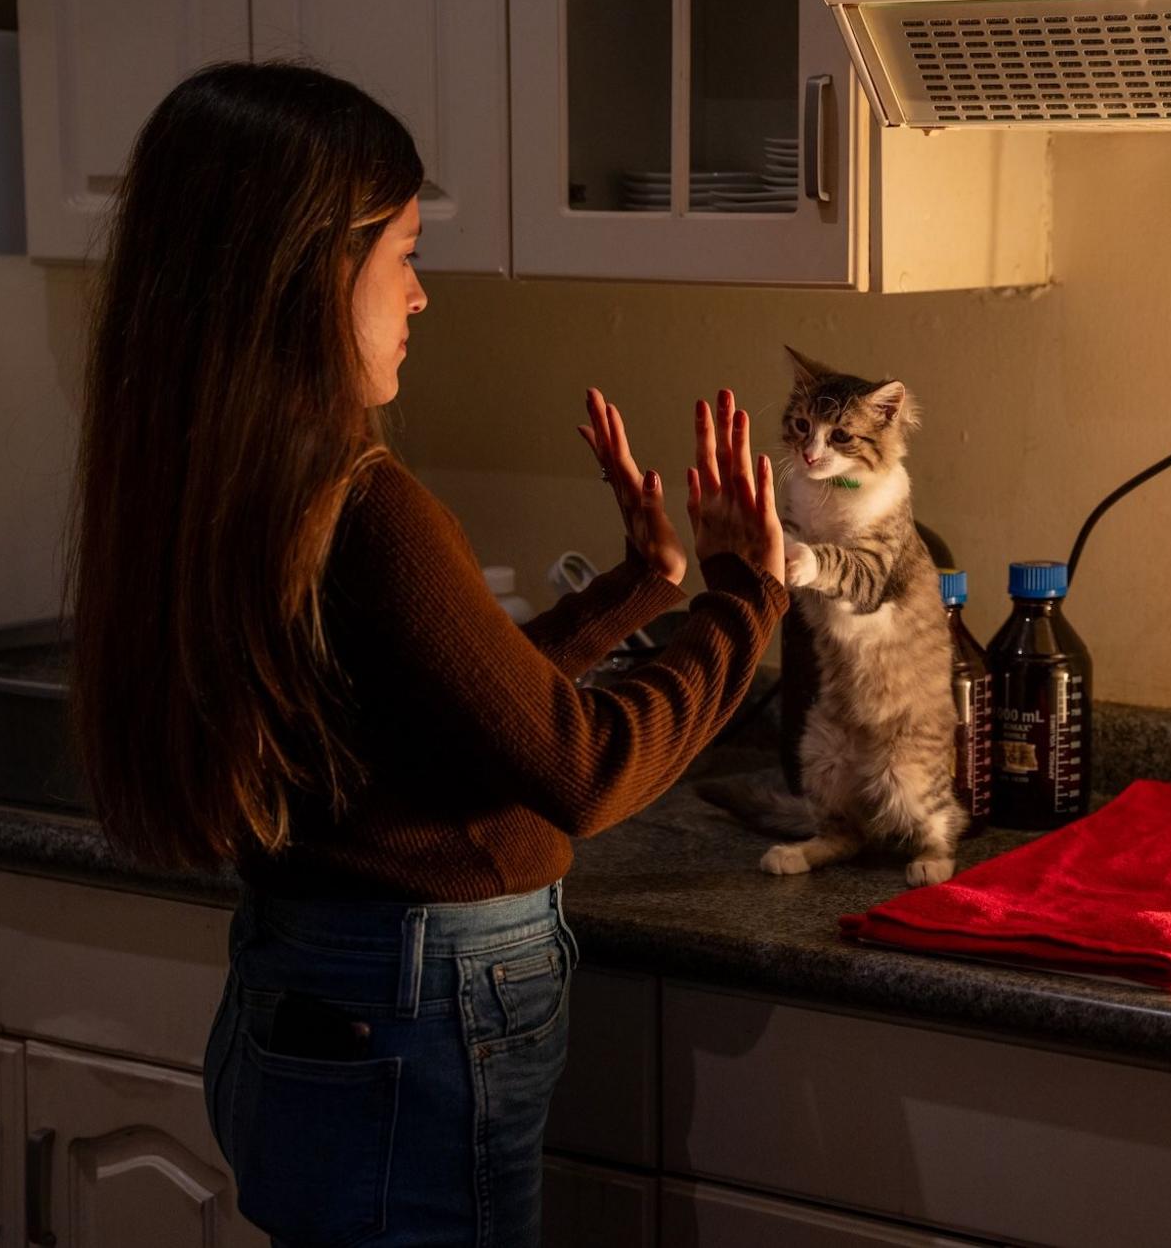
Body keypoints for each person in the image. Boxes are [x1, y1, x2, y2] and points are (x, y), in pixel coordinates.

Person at [67, 61, 787, 1246]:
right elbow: (582, 770)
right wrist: (746, 597)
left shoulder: (226, 483)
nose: (420, 295)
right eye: (402, 252)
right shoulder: (365, 505)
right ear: (310, 270)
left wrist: (631, 598)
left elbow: (438, 702)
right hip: (415, 1014)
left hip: (307, 999)